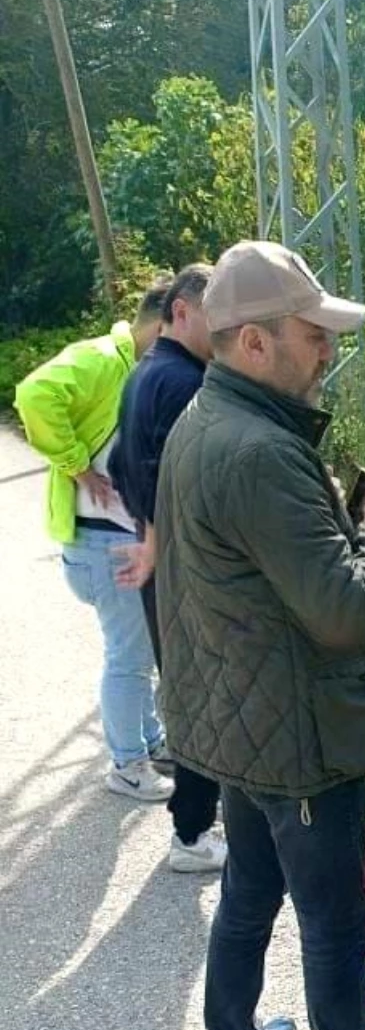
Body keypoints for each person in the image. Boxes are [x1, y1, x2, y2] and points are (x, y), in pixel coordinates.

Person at [154, 239, 365, 1030]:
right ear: (253, 345)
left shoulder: (204, 421)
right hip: (297, 739)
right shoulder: (262, 454)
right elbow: (342, 610)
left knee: (248, 890)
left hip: (236, 722)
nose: (327, 348)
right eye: (311, 333)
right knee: (333, 917)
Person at [15, 283, 173, 802]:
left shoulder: (138, 368)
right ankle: (127, 765)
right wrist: (78, 464)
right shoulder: (104, 357)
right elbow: (35, 394)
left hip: (116, 539)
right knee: (128, 660)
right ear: (167, 319)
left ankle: (147, 742)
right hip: (103, 544)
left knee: (140, 652)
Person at [108, 263, 226, 873]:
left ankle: (201, 820)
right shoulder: (182, 383)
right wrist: (159, 542)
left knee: (192, 692)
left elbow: (125, 466)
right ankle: (192, 833)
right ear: (182, 310)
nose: (226, 329)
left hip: (165, 566)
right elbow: (164, 477)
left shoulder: (148, 371)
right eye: (216, 315)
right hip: (182, 570)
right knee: (202, 698)